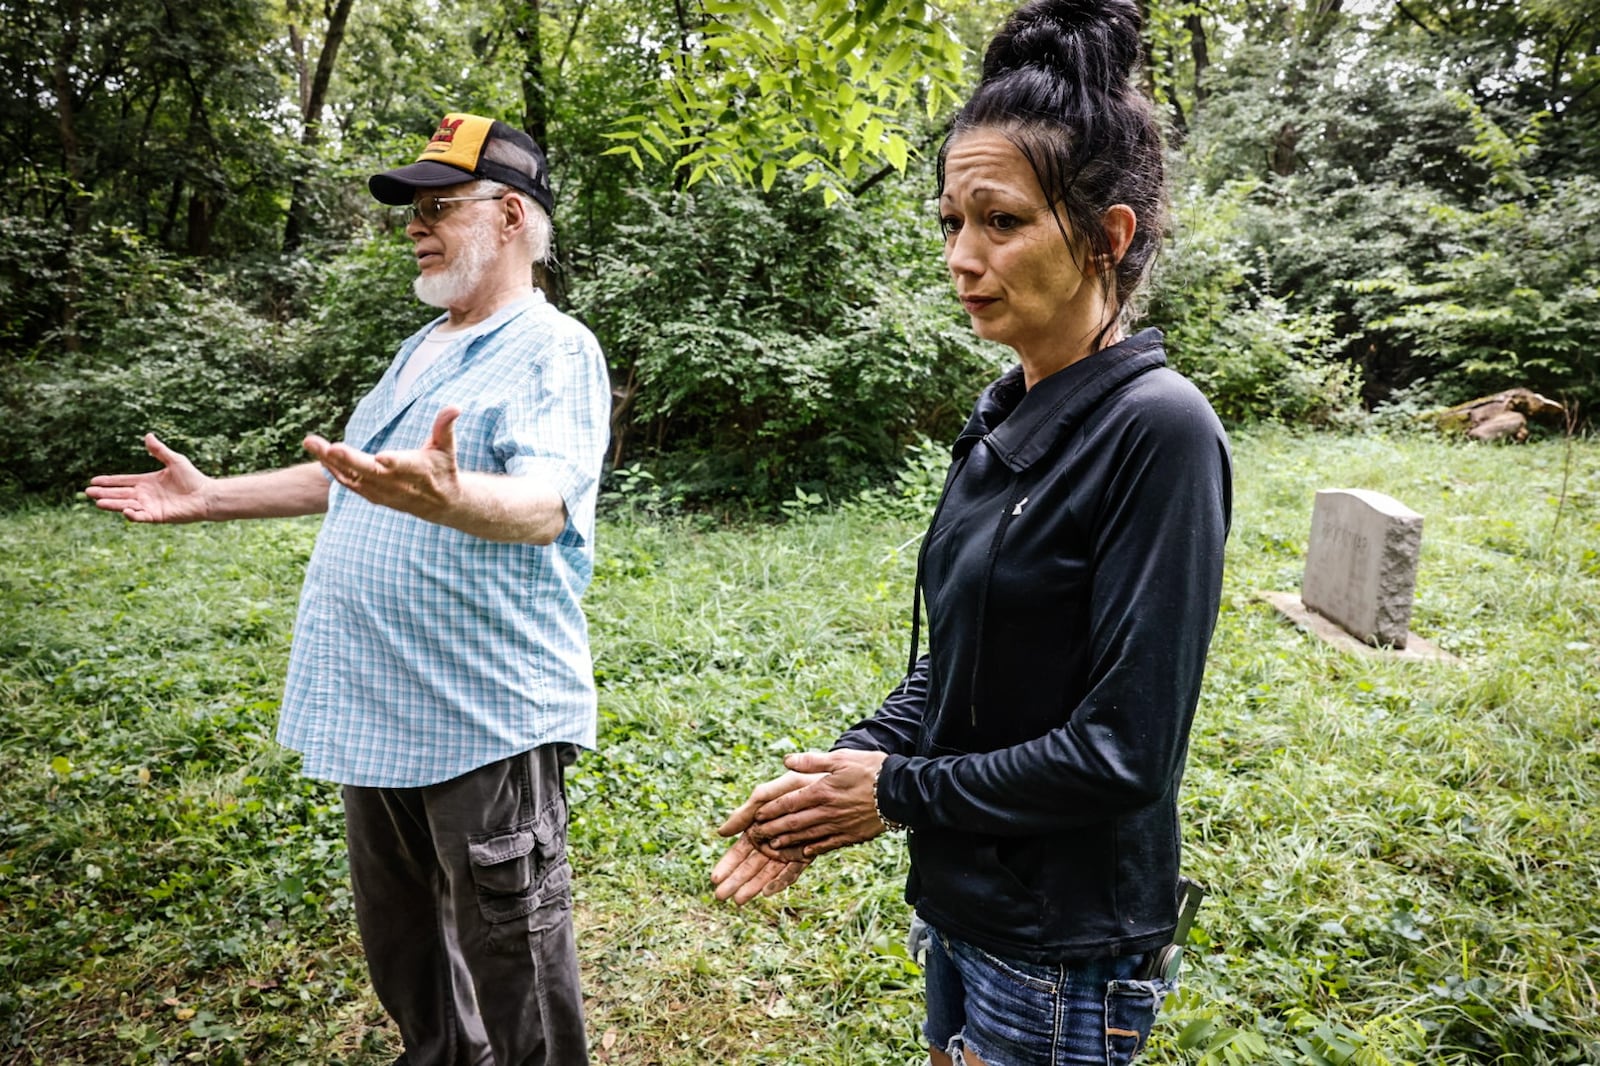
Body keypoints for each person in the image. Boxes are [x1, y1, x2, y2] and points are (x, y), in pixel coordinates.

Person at [711, 2, 1232, 1064]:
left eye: (999, 222)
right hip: (965, 904)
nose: (961, 256)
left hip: (1061, 948)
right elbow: (965, 666)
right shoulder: (1006, 412)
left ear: (1107, 237)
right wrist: (843, 774)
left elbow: (1123, 753)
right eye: (950, 221)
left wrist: (893, 793)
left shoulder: (1158, 431)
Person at [86, 112, 610, 1066]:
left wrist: (459, 495)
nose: (416, 223)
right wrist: (209, 499)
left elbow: (545, 501)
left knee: (514, 964)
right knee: (407, 952)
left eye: (439, 205)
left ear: (511, 218)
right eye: (411, 207)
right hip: (382, 710)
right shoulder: (424, 345)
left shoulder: (555, 348)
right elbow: (349, 473)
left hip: (485, 713)